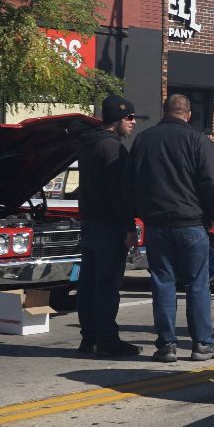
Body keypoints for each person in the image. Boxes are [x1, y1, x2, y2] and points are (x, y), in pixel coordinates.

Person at [128, 94, 214, 362]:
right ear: (189, 114)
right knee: (197, 284)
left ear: (164, 111)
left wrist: (139, 213)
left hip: (157, 223)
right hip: (192, 221)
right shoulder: (198, 141)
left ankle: (167, 345)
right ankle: (202, 344)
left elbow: (132, 181)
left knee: (163, 283)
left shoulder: (144, 140)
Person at [75, 95, 141, 357]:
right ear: (117, 120)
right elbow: (119, 192)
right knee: (107, 285)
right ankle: (107, 340)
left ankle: (89, 337)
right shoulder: (113, 148)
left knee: (88, 284)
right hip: (109, 225)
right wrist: (129, 225)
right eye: (130, 118)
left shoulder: (87, 144)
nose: (133, 123)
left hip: (90, 222)